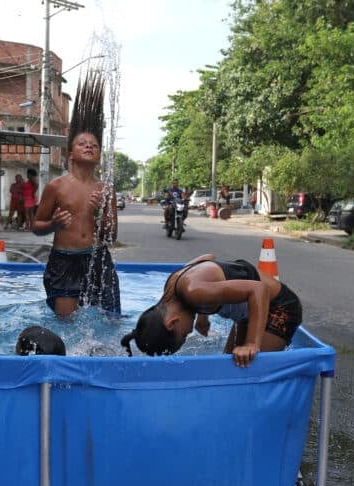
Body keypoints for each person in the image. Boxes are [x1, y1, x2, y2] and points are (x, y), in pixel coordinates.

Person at [32, 70, 120, 317]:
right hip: (64, 260)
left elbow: (111, 236)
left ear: (99, 155)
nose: (89, 146)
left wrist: (98, 215)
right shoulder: (56, 186)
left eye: (94, 145)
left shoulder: (105, 190)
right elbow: (37, 226)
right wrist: (54, 224)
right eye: (82, 143)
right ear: (71, 154)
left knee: (110, 320)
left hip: (97, 259)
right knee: (66, 324)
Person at [120, 253, 302, 367]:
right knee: (229, 368)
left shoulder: (194, 292)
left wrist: (251, 344)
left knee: (247, 371)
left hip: (279, 307)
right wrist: (202, 315)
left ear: (172, 322)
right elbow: (208, 257)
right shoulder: (174, 284)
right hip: (250, 313)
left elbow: (259, 290)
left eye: (183, 335)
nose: (188, 332)